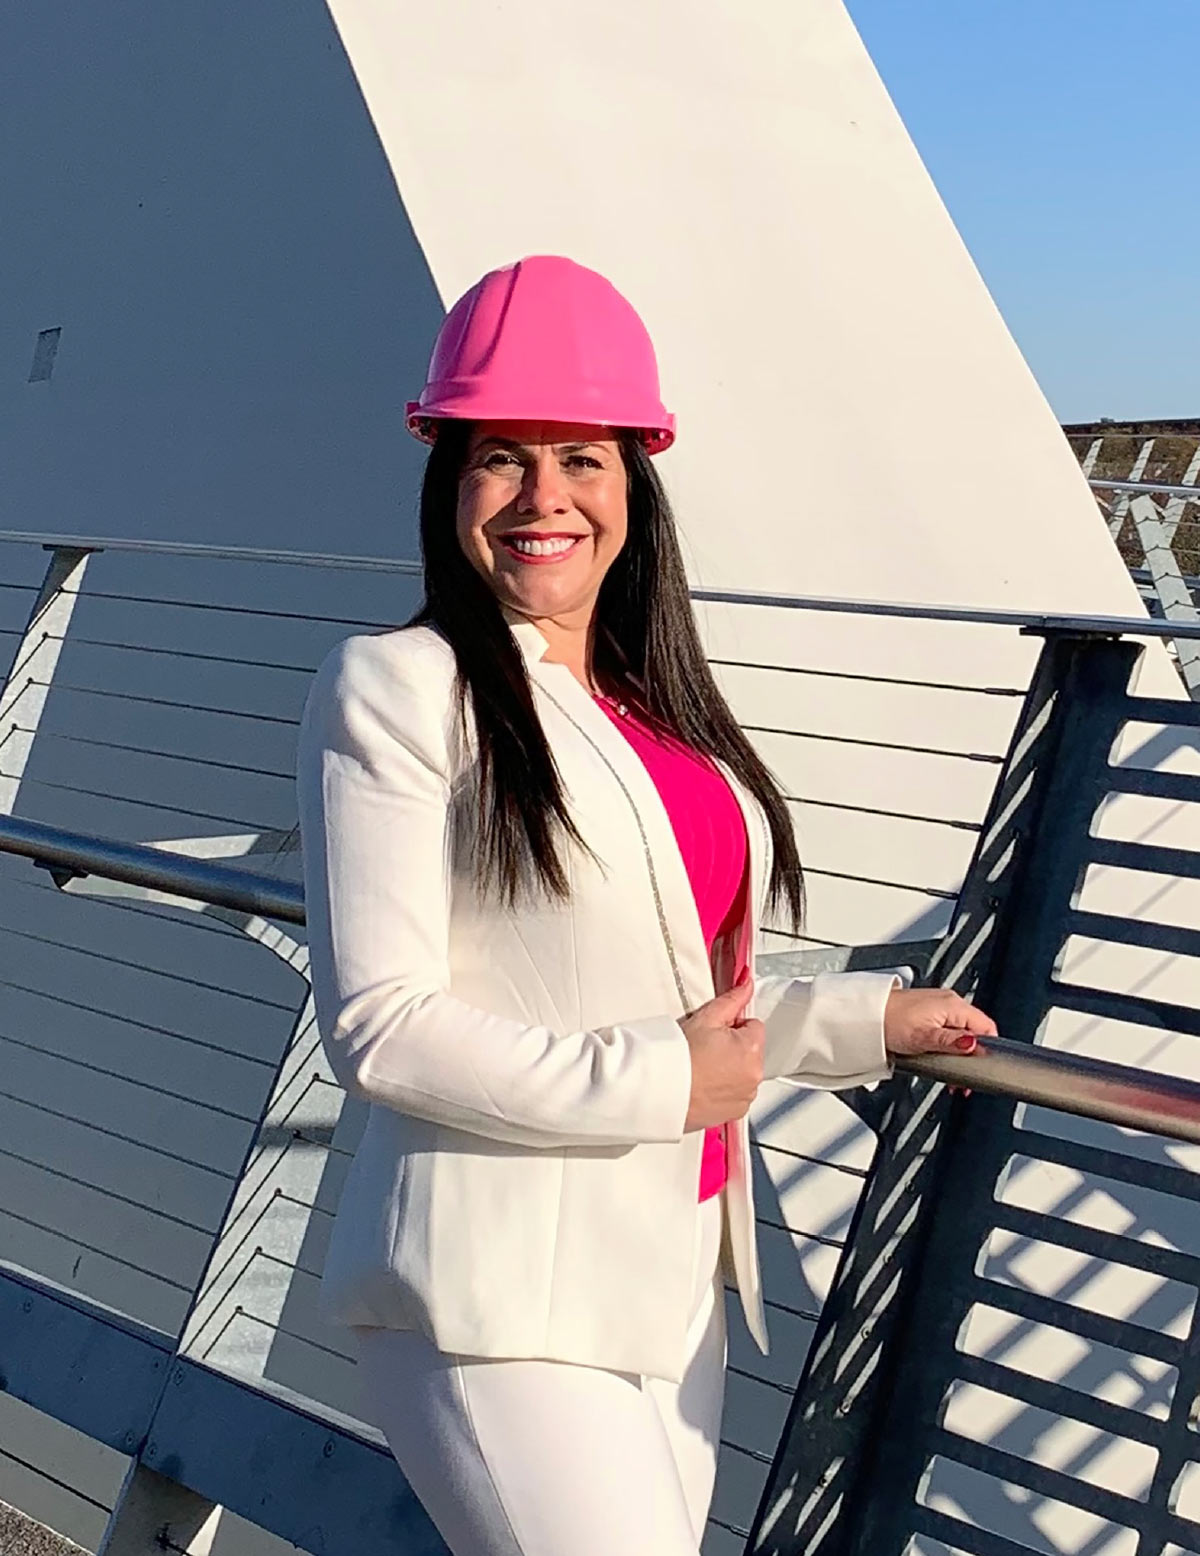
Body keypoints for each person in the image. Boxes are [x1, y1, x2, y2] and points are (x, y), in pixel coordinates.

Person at [296, 255, 994, 1556]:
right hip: (493, 1303)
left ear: (636, 487)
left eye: (583, 459)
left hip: (668, 1294)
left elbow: (678, 1008)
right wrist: (663, 1082)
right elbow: (382, 1026)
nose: (543, 498)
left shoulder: (654, 714)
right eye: (502, 456)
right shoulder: (397, 687)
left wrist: (860, 1022)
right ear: (450, 478)